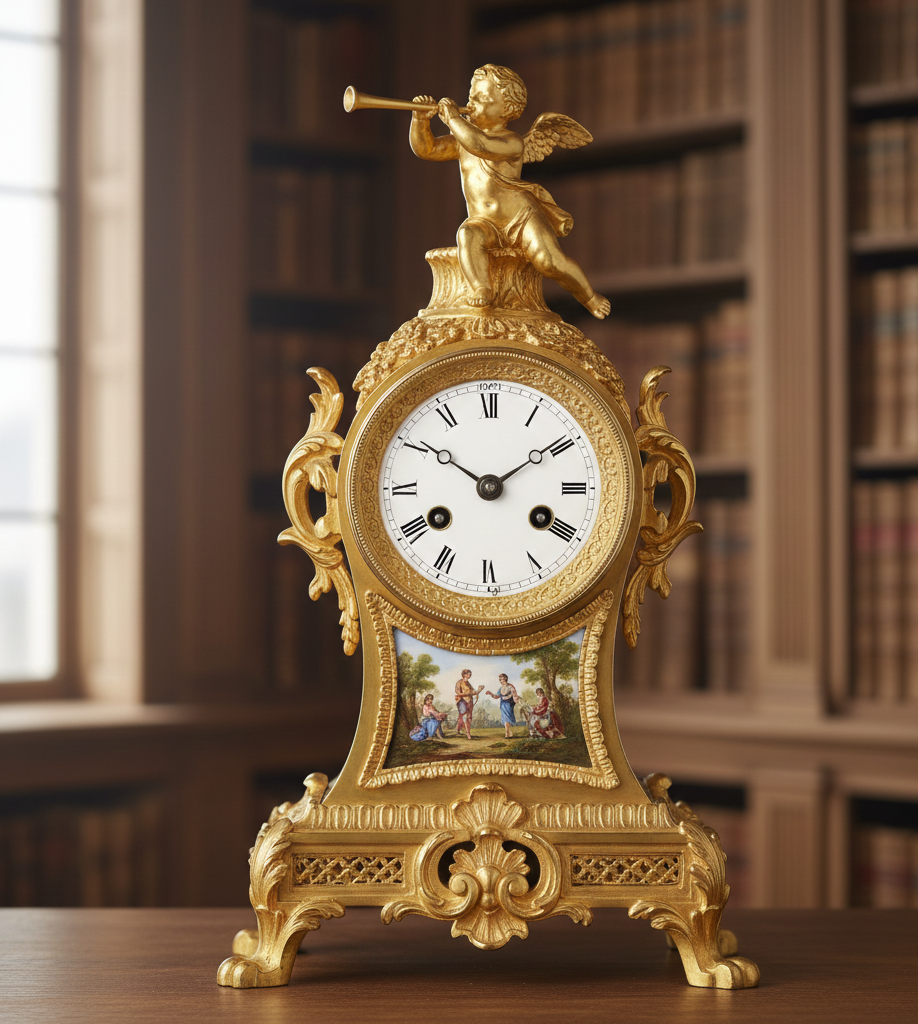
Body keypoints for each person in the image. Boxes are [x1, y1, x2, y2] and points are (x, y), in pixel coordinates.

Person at [409, 64, 611, 319]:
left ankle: (589, 296)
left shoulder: (511, 142)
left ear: (507, 110)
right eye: (471, 97)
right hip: (484, 222)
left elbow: (480, 145)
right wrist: (420, 120)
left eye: (482, 99)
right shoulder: (463, 140)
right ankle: (481, 287)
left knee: (549, 260)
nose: (471, 104)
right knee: (467, 235)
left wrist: (452, 119)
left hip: (522, 218)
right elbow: (427, 149)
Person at [485, 673, 520, 738]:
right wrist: (490, 693)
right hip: (503, 705)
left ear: (505, 679)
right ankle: (508, 731)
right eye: (500, 680)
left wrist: (516, 700)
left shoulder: (510, 687)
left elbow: (515, 695)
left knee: (507, 718)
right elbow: (496, 696)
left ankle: (507, 733)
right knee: (505, 719)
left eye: (502, 679)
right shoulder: (501, 688)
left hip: (509, 704)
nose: (501, 681)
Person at [454, 669, 483, 740]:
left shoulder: (469, 683)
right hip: (462, 701)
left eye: (470, 674)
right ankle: (466, 732)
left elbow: (473, 692)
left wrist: (479, 690)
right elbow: (457, 691)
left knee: (469, 717)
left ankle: (462, 731)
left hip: (469, 701)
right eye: (467, 674)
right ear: (463, 674)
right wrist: (466, 694)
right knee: (463, 716)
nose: (469, 675)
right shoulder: (459, 682)